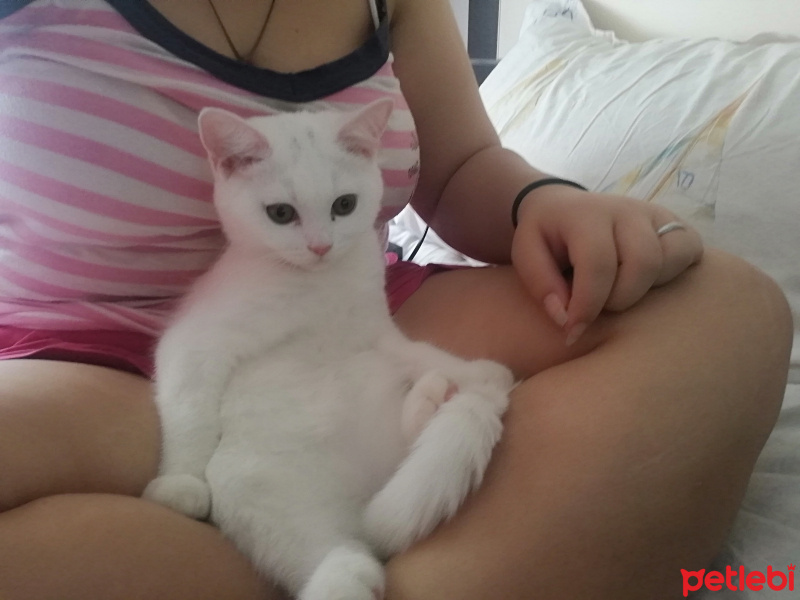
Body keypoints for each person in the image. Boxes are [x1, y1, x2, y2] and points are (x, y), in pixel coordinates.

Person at [0, 0, 792, 598]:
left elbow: (458, 166)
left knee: (723, 304)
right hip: (86, 348)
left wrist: (542, 202)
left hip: (357, 311)